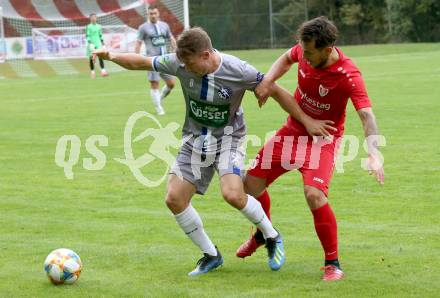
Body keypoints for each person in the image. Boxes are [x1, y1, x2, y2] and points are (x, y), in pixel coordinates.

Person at [94, 27, 335, 276]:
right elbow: (142, 62)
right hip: (194, 141)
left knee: (233, 194)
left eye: (190, 62)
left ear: (206, 55)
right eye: (183, 63)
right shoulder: (180, 62)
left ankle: (272, 236)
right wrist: (110, 55)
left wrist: (306, 120)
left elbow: (274, 90)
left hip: (228, 140)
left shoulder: (238, 70)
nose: (185, 68)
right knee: (174, 199)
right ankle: (211, 255)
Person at [235, 16, 385, 281]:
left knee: (314, 195)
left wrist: (374, 154)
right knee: (250, 184)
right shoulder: (304, 52)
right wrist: (268, 82)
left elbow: (366, 116)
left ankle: (332, 263)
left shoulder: (349, 75)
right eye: (302, 50)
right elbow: (285, 58)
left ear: (327, 50)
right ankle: (263, 233)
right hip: (292, 132)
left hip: (323, 140)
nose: (304, 56)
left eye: (310, 52)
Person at [136, 4, 176, 115]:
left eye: (155, 13)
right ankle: (159, 108)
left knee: (171, 84)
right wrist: (136, 56)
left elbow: (171, 38)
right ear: (148, 14)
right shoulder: (143, 27)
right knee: (154, 84)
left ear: (158, 14)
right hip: (152, 61)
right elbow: (138, 42)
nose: (153, 15)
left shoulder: (164, 26)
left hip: (165, 60)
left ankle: (160, 98)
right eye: (151, 14)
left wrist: (176, 50)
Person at [86, 13, 108, 78]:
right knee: (91, 58)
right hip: (91, 44)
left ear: (96, 18)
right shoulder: (88, 26)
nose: (94, 18)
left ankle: (103, 71)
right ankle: (92, 72)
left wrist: (103, 43)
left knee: (101, 57)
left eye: (95, 17)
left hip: (98, 44)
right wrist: (90, 43)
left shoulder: (99, 26)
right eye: (92, 17)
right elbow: (87, 36)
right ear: (90, 19)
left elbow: (100, 35)